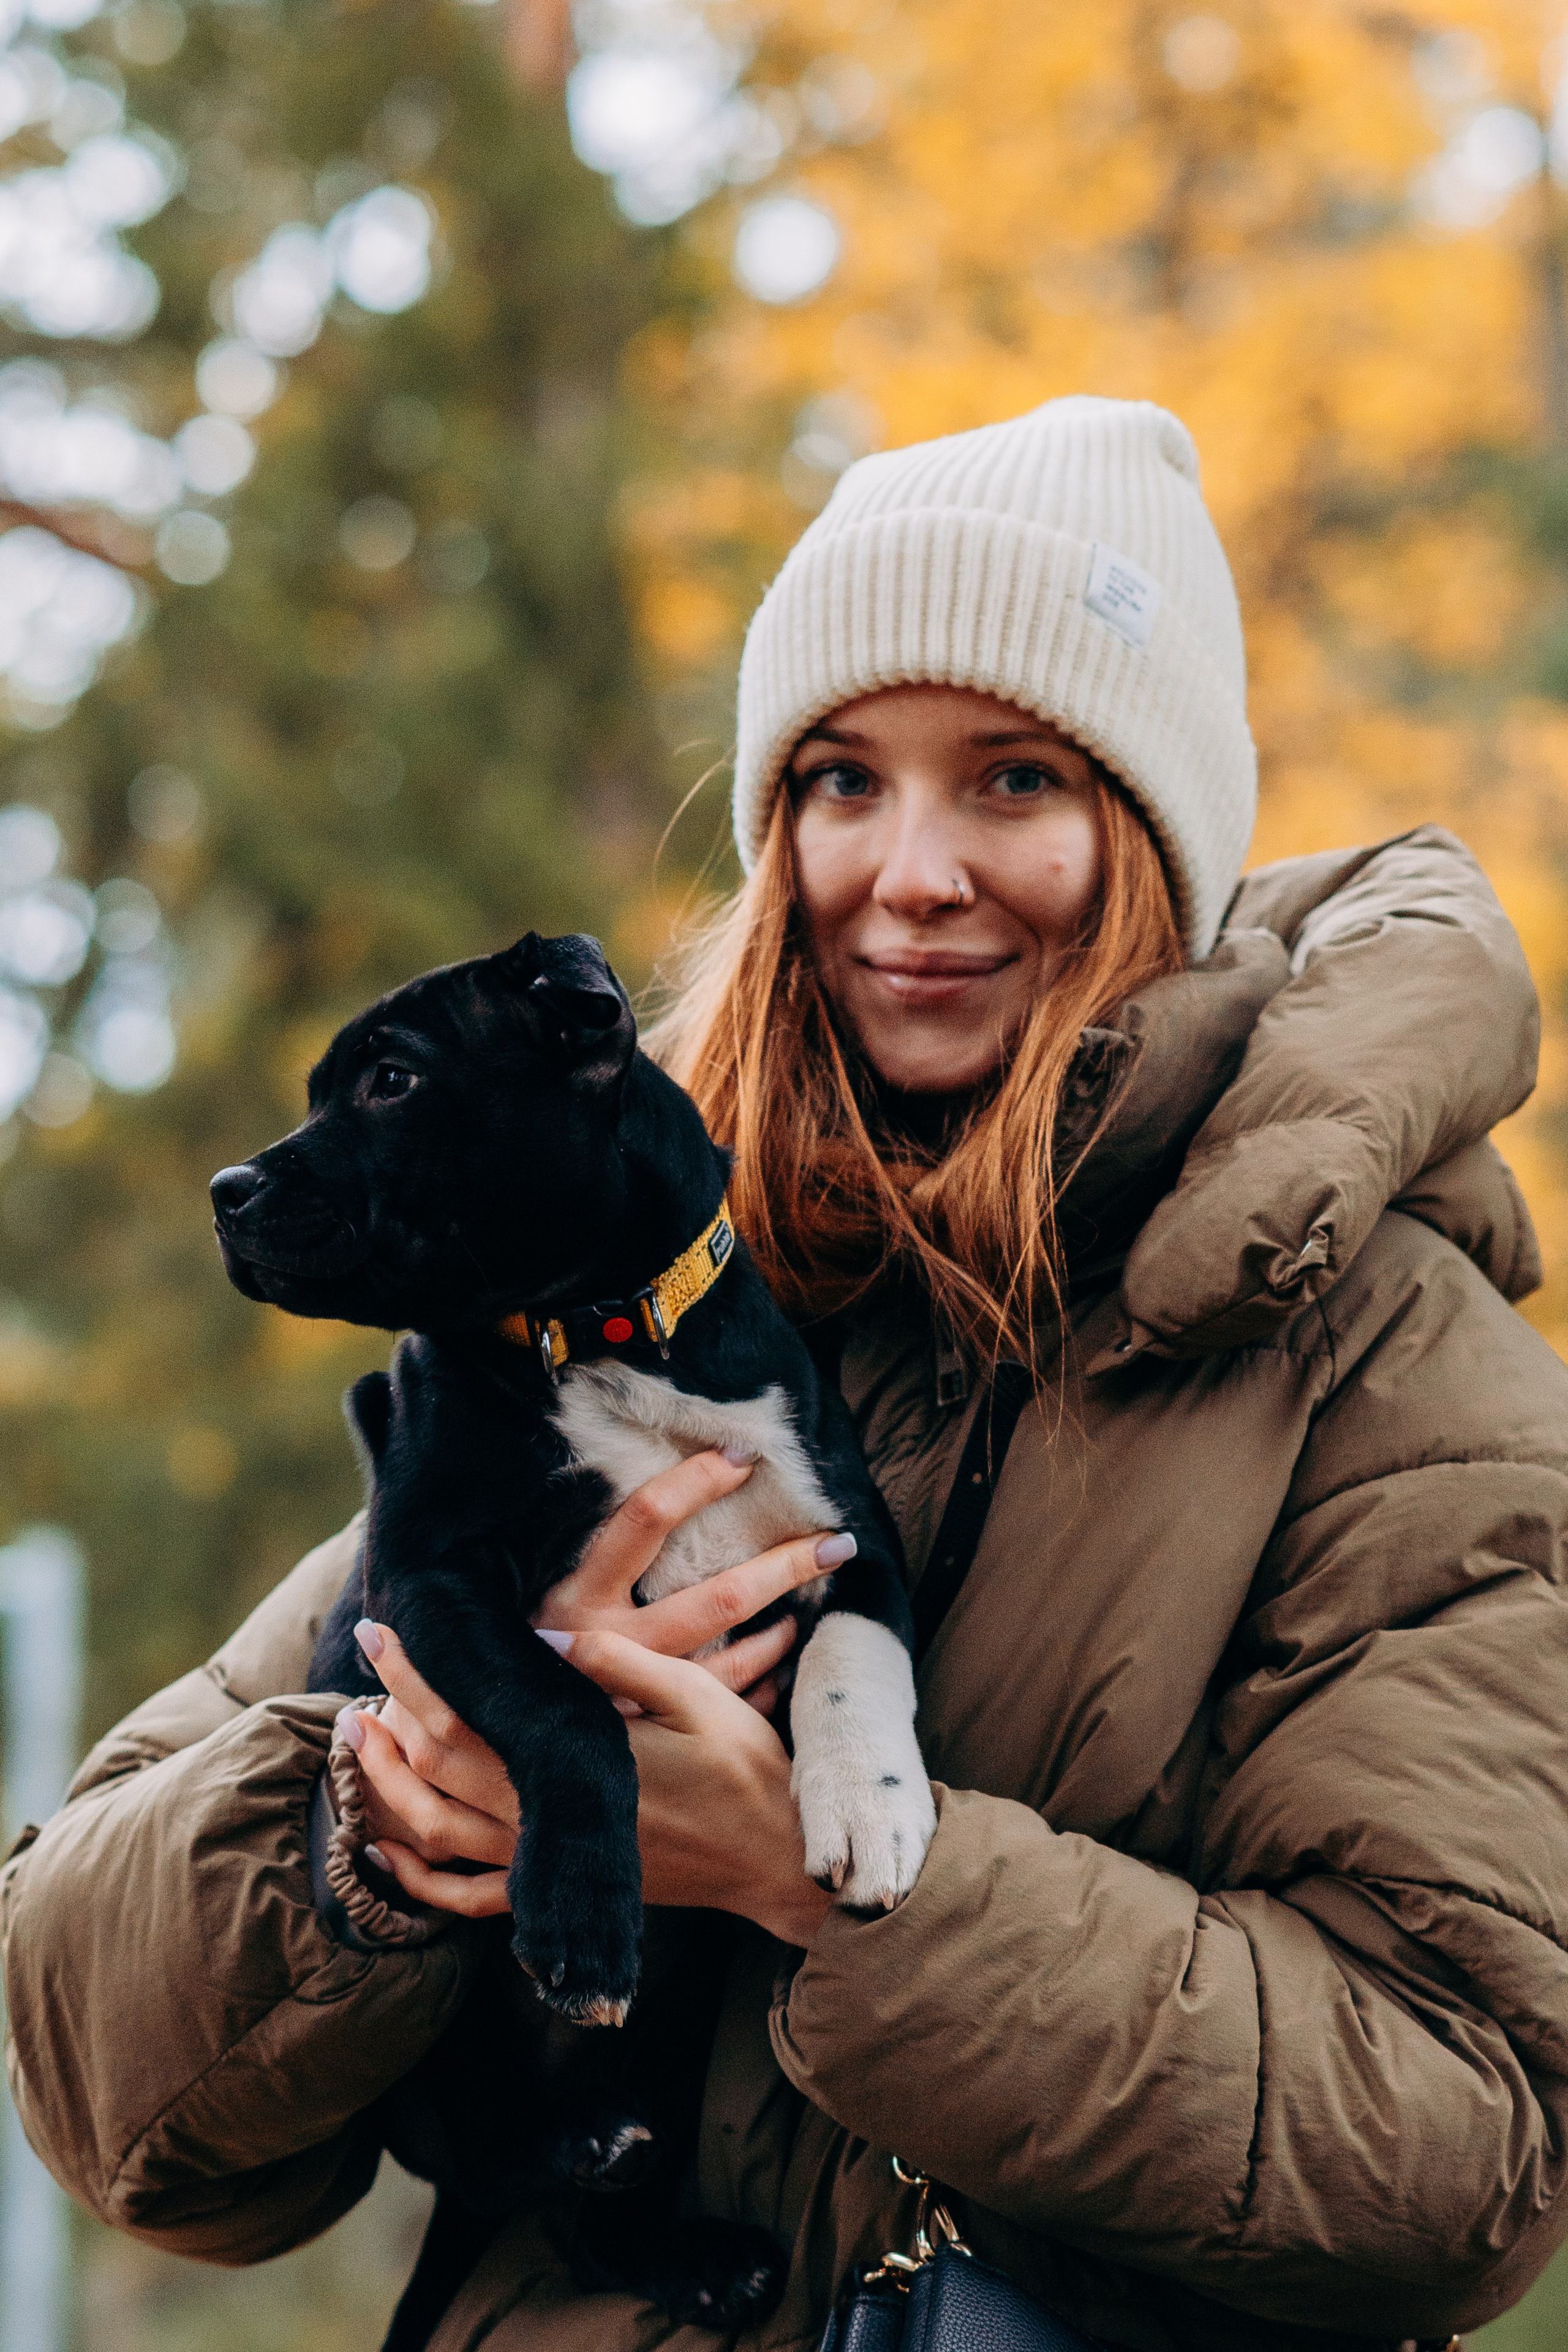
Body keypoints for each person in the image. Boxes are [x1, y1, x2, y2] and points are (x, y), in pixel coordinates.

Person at [6, 396, 1567, 2352]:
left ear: (1153, 837)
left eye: (1013, 779)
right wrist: (381, 1834)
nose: (909, 871)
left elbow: (1462, 2146)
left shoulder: (1394, 1368)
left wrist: (835, 1886)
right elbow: (99, 2077)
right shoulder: (607, 1287)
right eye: (841, 780)